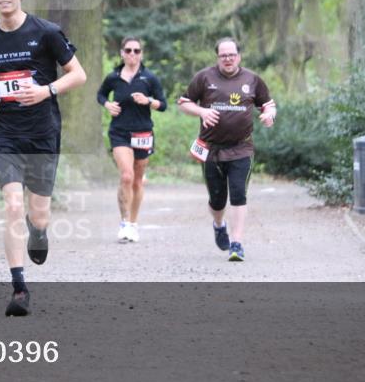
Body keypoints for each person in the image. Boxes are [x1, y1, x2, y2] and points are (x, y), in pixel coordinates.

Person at [0, 0, 87, 316]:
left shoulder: (46, 32)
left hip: (42, 132)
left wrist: (46, 90)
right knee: (13, 206)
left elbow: (78, 74)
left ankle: (39, 231)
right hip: (4, 132)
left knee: (39, 213)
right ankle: (19, 288)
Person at [177, 37, 276, 261]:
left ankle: (237, 243)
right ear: (218, 58)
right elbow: (183, 102)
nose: (228, 59)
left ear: (239, 56)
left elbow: (268, 104)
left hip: (242, 148)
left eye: (231, 55)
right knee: (217, 199)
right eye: (223, 55)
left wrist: (269, 114)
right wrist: (201, 112)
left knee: (239, 194)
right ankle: (219, 224)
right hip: (211, 149)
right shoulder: (204, 77)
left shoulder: (252, 79)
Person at [96, 37, 167, 243]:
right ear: (122, 53)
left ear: (141, 54)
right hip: (119, 132)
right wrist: (107, 105)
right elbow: (100, 95)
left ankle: (134, 224)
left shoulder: (149, 78)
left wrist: (149, 101)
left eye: (136, 51)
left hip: (143, 133)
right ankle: (125, 222)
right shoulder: (113, 77)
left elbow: (163, 105)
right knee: (126, 176)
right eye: (128, 50)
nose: (132, 54)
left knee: (136, 180)